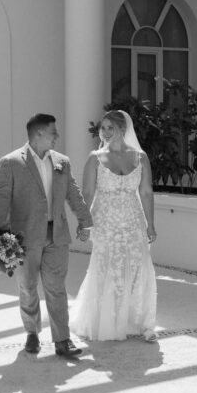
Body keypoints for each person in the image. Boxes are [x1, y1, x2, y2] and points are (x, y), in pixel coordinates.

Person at [0, 113, 93, 357]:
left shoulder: (62, 162)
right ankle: (32, 333)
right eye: (53, 132)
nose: (57, 136)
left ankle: (62, 340)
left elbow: (73, 193)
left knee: (56, 287)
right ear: (38, 133)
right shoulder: (11, 162)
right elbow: (1, 199)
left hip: (57, 235)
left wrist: (85, 221)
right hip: (24, 237)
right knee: (27, 287)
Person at [71, 109, 158, 342]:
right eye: (103, 128)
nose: (106, 132)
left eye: (111, 127)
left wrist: (150, 224)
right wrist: (83, 223)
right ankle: (105, 321)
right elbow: (87, 193)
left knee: (139, 267)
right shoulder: (95, 158)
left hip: (133, 220)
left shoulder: (141, 157)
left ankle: (142, 323)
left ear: (123, 129)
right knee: (106, 267)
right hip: (105, 221)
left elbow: (146, 192)